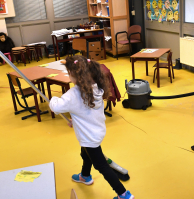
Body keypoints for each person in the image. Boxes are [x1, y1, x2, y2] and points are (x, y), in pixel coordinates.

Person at [49, 55, 134, 199]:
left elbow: (55, 107)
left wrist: (53, 98)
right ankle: (85, 176)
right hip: (96, 131)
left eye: (69, 72)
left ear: (76, 75)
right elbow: (85, 112)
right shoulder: (96, 88)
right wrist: (75, 120)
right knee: (85, 154)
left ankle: (123, 194)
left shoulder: (73, 95)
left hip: (89, 137)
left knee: (101, 166)